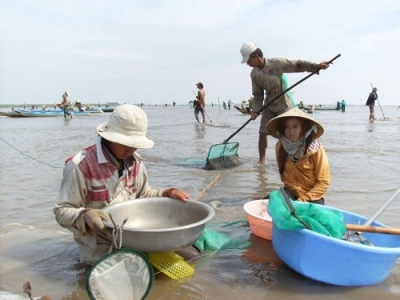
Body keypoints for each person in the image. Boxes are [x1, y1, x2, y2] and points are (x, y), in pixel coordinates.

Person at [53, 104, 191, 264]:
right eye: (126, 143)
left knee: (188, 258)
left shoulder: (135, 163)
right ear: (110, 138)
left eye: (135, 144)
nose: (131, 149)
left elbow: (144, 195)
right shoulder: (81, 166)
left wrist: (167, 193)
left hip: (134, 238)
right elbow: (61, 211)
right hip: (99, 245)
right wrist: (85, 215)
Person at [240, 42, 331, 166]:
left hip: (284, 103)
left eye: (248, 60)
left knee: (288, 132)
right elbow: (258, 94)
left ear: (255, 55)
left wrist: (315, 67)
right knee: (262, 132)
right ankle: (262, 161)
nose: (247, 63)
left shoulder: (276, 63)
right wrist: (256, 110)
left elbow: (296, 65)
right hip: (269, 104)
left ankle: (295, 158)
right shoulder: (254, 74)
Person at [266, 107, 330, 205]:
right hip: (290, 192)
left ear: (303, 127)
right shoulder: (280, 146)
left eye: (295, 126)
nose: (291, 131)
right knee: (264, 203)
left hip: (312, 195)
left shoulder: (315, 149)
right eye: (287, 127)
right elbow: (284, 176)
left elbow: (323, 183)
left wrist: (303, 200)